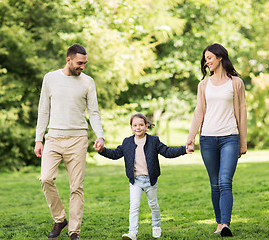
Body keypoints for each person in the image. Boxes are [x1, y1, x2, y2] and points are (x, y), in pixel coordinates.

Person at [34, 44, 105, 240]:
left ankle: (74, 231)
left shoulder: (88, 82)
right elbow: (43, 110)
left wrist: (100, 135)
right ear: (69, 60)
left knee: (76, 187)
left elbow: (94, 112)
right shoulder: (50, 78)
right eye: (79, 63)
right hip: (53, 138)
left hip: (78, 139)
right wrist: (38, 139)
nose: (83, 67)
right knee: (46, 178)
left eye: (85, 63)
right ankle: (60, 219)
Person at [94, 113, 191, 240]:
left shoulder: (153, 141)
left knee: (153, 204)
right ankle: (132, 233)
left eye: (141, 125)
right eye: (135, 125)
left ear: (146, 126)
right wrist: (102, 150)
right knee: (134, 206)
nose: (138, 128)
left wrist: (184, 149)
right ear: (131, 127)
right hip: (135, 181)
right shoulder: (127, 142)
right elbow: (115, 154)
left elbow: (167, 152)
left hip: (150, 180)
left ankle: (156, 226)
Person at [185, 43, 247, 237]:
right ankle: (219, 223)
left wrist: (243, 142)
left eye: (210, 58)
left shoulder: (236, 83)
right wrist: (191, 137)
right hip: (208, 140)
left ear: (220, 58)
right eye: (205, 59)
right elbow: (199, 112)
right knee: (214, 184)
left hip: (230, 137)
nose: (207, 62)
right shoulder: (203, 84)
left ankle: (226, 224)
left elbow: (243, 112)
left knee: (225, 181)